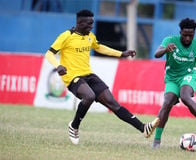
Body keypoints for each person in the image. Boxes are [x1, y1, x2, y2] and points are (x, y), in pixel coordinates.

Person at [44, 9, 159, 145]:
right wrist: (58, 65)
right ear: (79, 23)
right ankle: (74, 126)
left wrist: (122, 54)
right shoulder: (66, 36)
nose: (91, 26)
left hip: (89, 75)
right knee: (89, 96)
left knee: (113, 104)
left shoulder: (90, 36)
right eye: (88, 23)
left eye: (92, 23)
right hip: (72, 77)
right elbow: (49, 53)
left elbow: (99, 48)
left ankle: (143, 128)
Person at [152, 18, 196, 149]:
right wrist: (165, 50)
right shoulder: (170, 40)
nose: (187, 38)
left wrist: (188, 73)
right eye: (184, 35)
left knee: (185, 96)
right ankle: (156, 141)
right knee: (167, 103)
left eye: (190, 36)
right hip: (171, 78)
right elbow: (156, 54)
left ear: (194, 35)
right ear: (180, 32)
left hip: (189, 74)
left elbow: (194, 61)